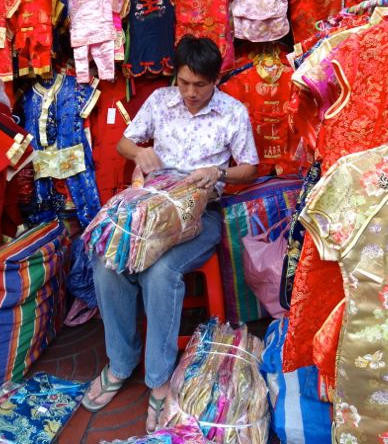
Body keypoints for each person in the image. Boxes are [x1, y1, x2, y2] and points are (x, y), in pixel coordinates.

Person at [82, 35, 259, 432]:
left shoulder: (233, 112)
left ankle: (159, 381)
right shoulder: (161, 101)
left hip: (200, 213)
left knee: (160, 272)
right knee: (109, 262)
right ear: (175, 77)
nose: (191, 93)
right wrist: (138, 154)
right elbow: (126, 141)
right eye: (184, 83)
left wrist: (218, 173)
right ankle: (120, 362)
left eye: (200, 85)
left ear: (216, 80)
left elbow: (250, 168)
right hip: (152, 209)